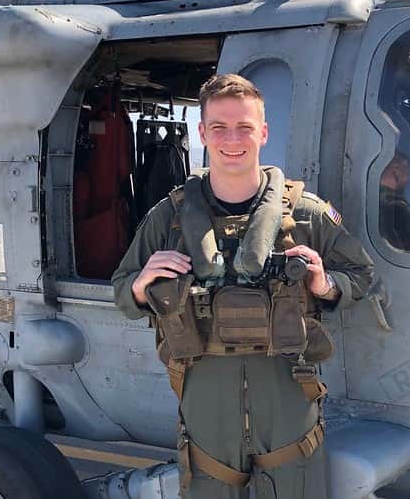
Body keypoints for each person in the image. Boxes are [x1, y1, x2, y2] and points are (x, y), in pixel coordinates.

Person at [112, 74, 374, 499]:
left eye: (244, 127)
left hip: (288, 393)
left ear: (263, 133)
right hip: (205, 400)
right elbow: (122, 290)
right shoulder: (169, 218)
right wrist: (141, 286)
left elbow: (362, 274)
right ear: (202, 133)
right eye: (219, 127)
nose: (232, 139)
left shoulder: (305, 214)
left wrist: (325, 283)